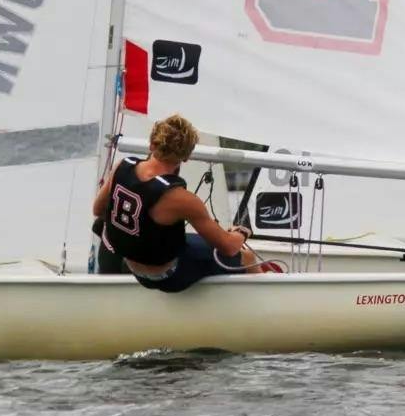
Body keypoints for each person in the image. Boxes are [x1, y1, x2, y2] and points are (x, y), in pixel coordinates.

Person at [91, 114, 271, 292]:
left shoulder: (123, 166)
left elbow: (98, 210)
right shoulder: (181, 198)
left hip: (131, 266)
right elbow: (229, 248)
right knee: (244, 255)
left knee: (195, 241)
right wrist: (241, 232)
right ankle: (267, 302)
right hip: (168, 277)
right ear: (186, 156)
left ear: (152, 144)